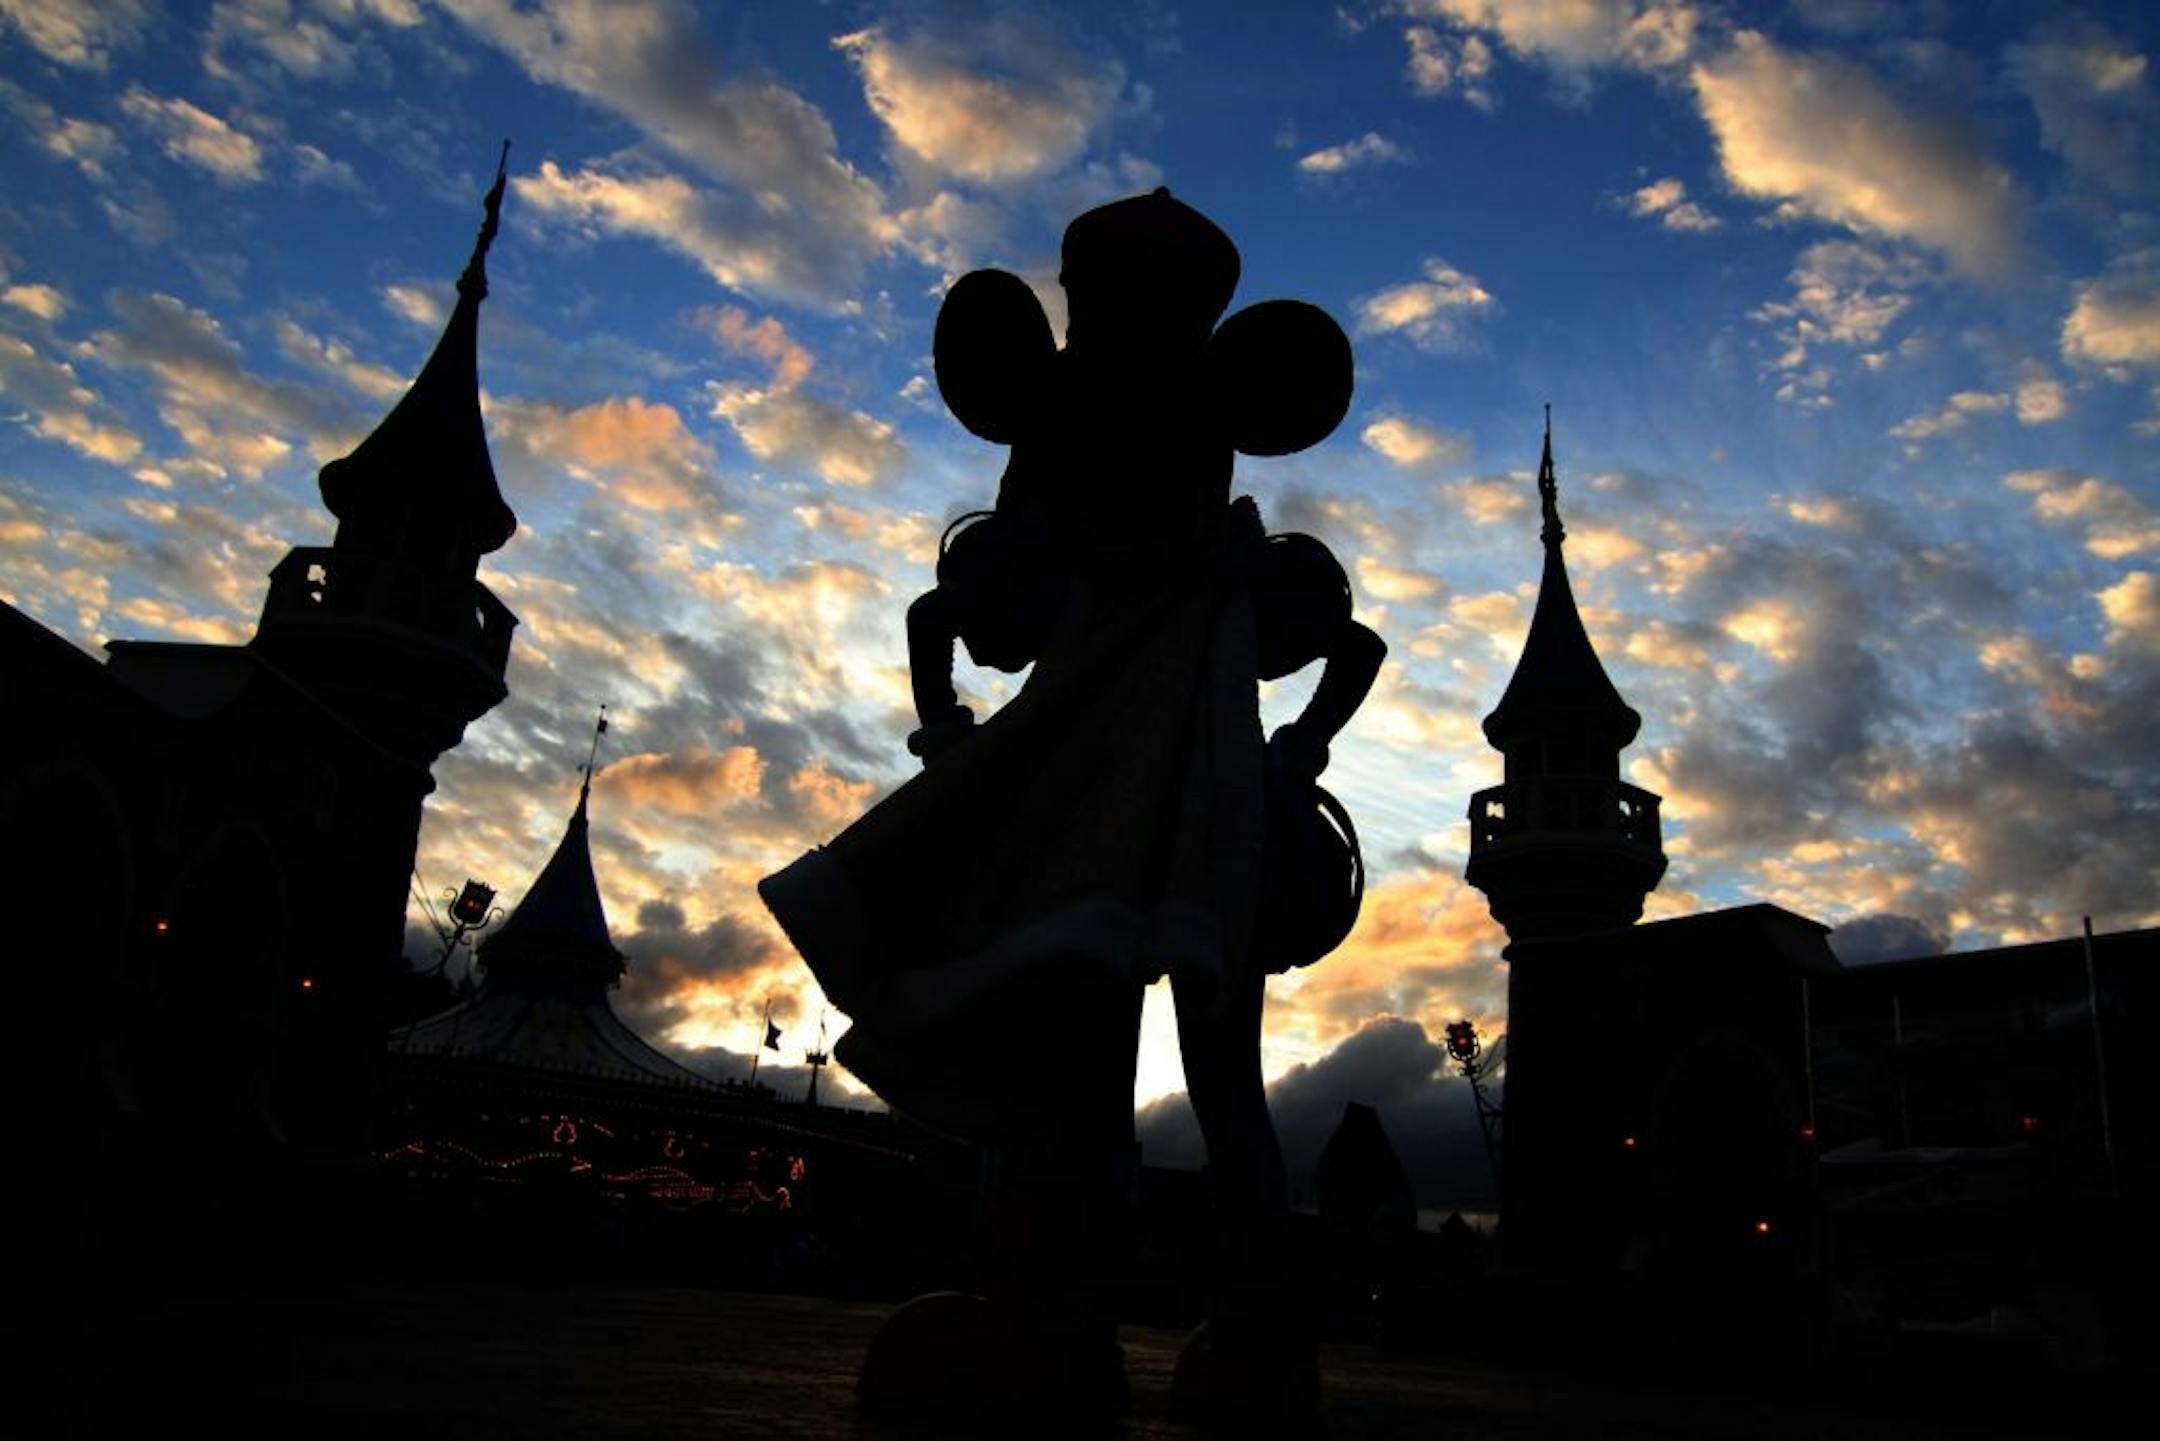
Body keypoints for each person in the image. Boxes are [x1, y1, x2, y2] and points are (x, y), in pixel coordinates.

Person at [759, 188, 1382, 1412]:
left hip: (1162, 815)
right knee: (1164, 1069)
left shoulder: (1196, 571)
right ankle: (1140, 1324)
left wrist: (948, 731)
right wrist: (1298, 747)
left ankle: (1091, 1319)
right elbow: (959, 616)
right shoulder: (1207, 572)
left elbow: (955, 618)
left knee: (1145, 1066)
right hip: (1151, 814)